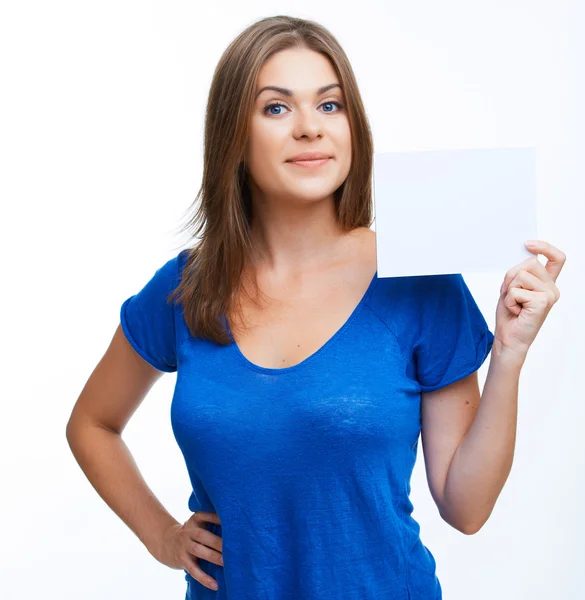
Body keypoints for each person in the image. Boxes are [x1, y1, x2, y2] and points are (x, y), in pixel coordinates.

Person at [66, 15, 565, 600]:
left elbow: (467, 506)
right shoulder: (187, 287)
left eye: (330, 106)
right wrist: (161, 536)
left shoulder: (419, 281)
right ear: (234, 134)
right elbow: (92, 425)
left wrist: (508, 355)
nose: (310, 129)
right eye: (276, 108)